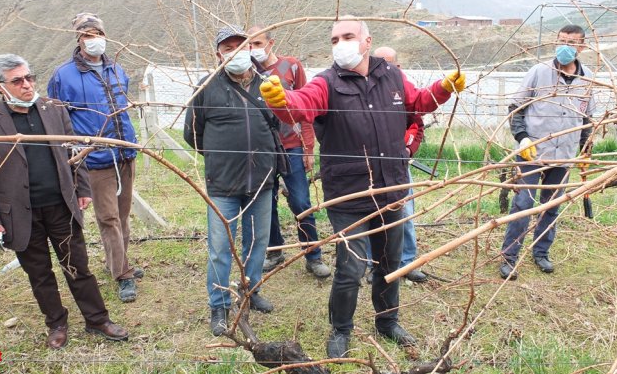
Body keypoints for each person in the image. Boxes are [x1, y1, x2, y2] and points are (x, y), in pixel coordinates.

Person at [260, 18, 465, 358]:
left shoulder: (393, 77)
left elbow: (419, 104)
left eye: (348, 36)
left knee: (390, 261)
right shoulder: (326, 82)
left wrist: (444, 87)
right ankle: (341, 328)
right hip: (348, 193)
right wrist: (280, 100)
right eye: (335, 39)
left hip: (392, 188)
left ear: (367, 41)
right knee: (351, 266)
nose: (341, 43)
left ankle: (387, 321)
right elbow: (301, 105)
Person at [0, 54, 128, 349]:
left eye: (29, 78)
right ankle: (56, 324)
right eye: (17, 81)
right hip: (19, 213)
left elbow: (74, 153)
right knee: (39, 273)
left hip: (60, 206)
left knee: (77, 266)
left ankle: (97, 319)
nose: (27, 85)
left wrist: (82, 189)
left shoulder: (54, 110)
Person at [184, 25, 277, 337]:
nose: (236, 53)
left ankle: (250, 293)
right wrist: (219, 159)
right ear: (218, 55)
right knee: (221, 248)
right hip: (222, 185)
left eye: (241, 46)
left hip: (262, 182)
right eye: (228, 48)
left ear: (250, 49)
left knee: (257, 244)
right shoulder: (206, 87)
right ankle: (220, 304)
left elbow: (277, 125)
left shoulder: (266, 84)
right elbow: (192, 135)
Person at [47, 13, 142, 303]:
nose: (93, 38)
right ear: (78, 39)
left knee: (123, 215)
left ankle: (118, 261)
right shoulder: (63, 76)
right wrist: (74, 149)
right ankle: (122, 275)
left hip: (124, 151)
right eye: (87, 34)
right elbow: (57, 118)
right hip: (96, 158)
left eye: (97, 32)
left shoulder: (117, 69)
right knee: (108, 217)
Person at [499, 24, 595, 280]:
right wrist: (522, 138)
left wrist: (585, 148)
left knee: (551, 206)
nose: (565, 47)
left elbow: (588, 118)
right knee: (523, 203)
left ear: (582, 47)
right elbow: (515, 107)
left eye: (572, 43)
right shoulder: (538, 72)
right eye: (561, 40)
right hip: (532, 152)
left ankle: (541, 252)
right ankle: (509, 255)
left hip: (564, 155)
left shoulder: (588, 80)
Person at [246, 25, 331, 278]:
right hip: (263, 149)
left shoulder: (291, 66)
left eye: (258, 43)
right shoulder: (248, 73)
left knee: (301, 201)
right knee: (266, 202)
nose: (253, 49)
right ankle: (274, 251)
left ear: (271, 43)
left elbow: (307, 108)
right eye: (249, 45)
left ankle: (313, 255)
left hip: (292, 146)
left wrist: (308, 147)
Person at [368, 46, 428, 283]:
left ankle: (406, 262)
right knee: (370, 215)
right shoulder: (364, 90)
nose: (384, 67)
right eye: (379, 62)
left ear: (398, 66)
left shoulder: (404, 91)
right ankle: (372, 265)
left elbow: (416, 125)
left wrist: (406, 150)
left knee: (404, 213)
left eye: (389, 63)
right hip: (369, 166)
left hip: (398, 165)